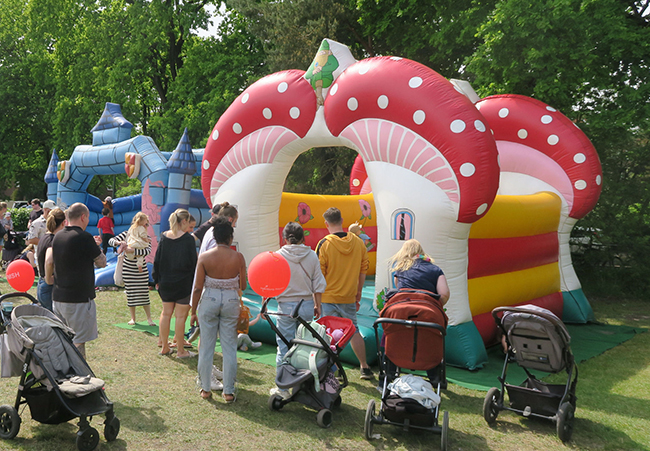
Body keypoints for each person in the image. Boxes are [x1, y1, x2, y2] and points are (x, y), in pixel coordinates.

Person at [191, 217, 246, 403]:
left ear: (214, 236)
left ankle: (205, 389)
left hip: (210, 298)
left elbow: (198, 287)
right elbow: (243, 285)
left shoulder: (205, 257)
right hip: (231, 299)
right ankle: (228, 392)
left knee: (207, 346)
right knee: (229, 346)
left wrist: (192, 311)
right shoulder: (238, 257)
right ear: (230, 237)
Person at [270, 222, 327, 399]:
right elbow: (317, 284)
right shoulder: (311, 256)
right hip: (307, 304)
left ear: (284, 238)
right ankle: (304, 383)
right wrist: (318, 305)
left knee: (283, 346)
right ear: (303, 238)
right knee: (306, 347)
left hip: (285, 306)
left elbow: (271, 282)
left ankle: (283, 388)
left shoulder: (277, 256)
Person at [316, 207, 373, 380]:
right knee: (353, 329)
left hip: (327, 297)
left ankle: (335, 369)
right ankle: (365, 366)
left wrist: (316, 302)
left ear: (326, 224)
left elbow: (319, 275)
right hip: (349, 295)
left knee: (329, 334)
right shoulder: (358, 243)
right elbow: (364, 268)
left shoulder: (324, 244)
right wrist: (358, 291)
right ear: (342, 221)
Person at [45, 203, 106, 358]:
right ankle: (78, 373)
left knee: (63, 339)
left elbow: (50, 261)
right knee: (78, 341)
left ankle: (63, 371)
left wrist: (48, 277)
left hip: (58, 297)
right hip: (78, 299)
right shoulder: (84, 237)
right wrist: (97, 247)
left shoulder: (57, 236)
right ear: (83, 217)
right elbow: (102, 262)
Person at [153, 209, 198, 359]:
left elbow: (157, 261)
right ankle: (180, 350)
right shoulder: (188, 240)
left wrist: (156, 279)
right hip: (183, 283)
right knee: (180, 317)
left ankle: (164, 346)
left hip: (166, 281)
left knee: (165, 314)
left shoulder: (164, 237)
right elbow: (193, 263)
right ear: (184, 221)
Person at [109, 213, 155, 326]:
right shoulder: (127, 234)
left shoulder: (146, 237)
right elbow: (110, 241)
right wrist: (119, 243)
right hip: (128, 268)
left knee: (144, 293)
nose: (146, 227)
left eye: (147, 225)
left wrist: (132, 251)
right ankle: (133, 318)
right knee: (131, 293)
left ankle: (149, 318)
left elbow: (147, 251)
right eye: (145, 224)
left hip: (141, 269)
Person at [388, 239, 450, 306]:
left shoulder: (400, 269)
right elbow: (444, 295)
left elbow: (399, 287)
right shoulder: (435, 269)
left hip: (403, 305)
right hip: (426, 307)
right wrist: (436, 306)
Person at [37, 208, 66, 311]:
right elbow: (49, 261)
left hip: (41, 283)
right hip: (48, 286)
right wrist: (49, 279)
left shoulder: (44, 237)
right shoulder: (53, 240)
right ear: (63, 223)